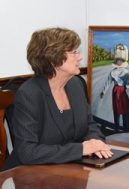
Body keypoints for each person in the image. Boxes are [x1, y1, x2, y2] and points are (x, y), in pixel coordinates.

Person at [2, 27, 113, 171]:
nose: (80, 57)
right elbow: (27, 152)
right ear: (53, 59)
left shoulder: (76, 84)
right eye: (74, 52)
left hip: (71, 168)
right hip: (32, 175)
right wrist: (81, 149)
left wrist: (96, 143)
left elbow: (90, 125)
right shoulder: (29, 94)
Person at [100, 44, 129, 131]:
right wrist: (103, 91)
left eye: (121, 60)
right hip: (116, 91)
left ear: (123, 60)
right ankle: (117, 127)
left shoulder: (126, 72)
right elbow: (108, 82)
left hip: (123, 91)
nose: (119, 62)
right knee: (117, 109)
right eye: (118, 60)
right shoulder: (112, 72)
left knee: (125, 109)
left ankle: (126, 128)